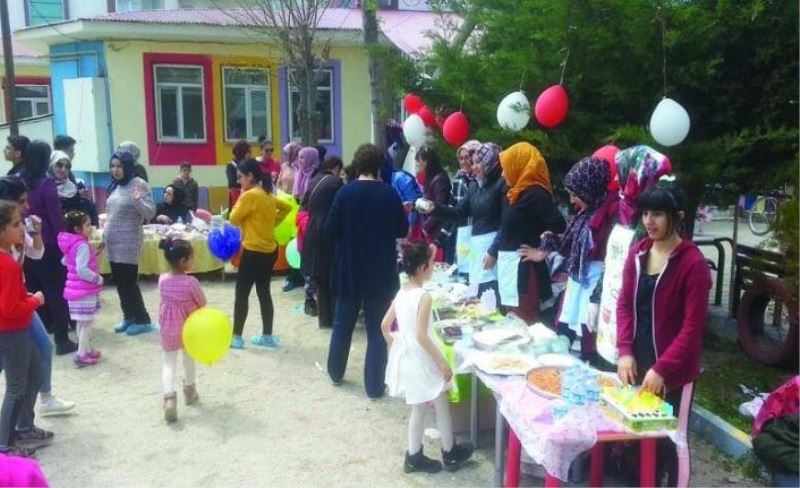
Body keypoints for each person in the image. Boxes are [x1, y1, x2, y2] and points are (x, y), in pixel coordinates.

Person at [616, 183, 711, 486]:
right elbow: (624, 307)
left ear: (677, 217)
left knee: (670, 442)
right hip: (639, 362)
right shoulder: (638, 253)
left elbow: (692, 328)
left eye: (657, 214)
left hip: (674, 373)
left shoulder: (693, 264)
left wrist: (662, 369)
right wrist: (625, 351)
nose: (649, 221)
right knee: (638, 434)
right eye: (645, 213)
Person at [382, 241, 474, 473]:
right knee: (429, 405)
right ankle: (435, 454)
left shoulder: (402, 291)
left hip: (410, 358)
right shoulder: (424, 297)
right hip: (424, 360)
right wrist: (442, 362)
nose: (433, 268)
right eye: (432, 264)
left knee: (429, 405)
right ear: (423, 268)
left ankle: (434, 453)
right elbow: (423, 336)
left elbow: (384, 325)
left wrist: (397, 345)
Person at [325, 144, 408, 398]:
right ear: (378, 166)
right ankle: (374, 386)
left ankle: (335, 372)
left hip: (349, 268)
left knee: (343, 323)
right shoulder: (389, 194)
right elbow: (402, 230)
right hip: (380, 271)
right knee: (376, 329)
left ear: (357, 165)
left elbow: (330, 230)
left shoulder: (344, 193)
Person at [522, 157, 613, 358]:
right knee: (565, 331)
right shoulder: (584, 214)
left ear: (589, 190)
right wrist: (547, 245)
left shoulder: (609, 215)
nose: (572, 200)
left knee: (588, 334)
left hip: (596, 285)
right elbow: (568, 244)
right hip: (577, 281)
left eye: (575, 194)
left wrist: (597, 295)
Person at [0, 177, 75, 417]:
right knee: (14, 373)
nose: (27, 207)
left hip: (18, 302)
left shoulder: (17, 229)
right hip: (12, 307)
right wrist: (33, 300)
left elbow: (37, 252)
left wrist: (37, 233)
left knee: (42, 346)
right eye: (21, 202)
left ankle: (43, 400)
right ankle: (15, 430)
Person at [419, 143, 505, 304]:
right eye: (473, 162)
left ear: (490, 164)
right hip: (478, 249)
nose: (474, 167)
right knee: (477, 296)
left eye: (478, 162)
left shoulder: (501, 185)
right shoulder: (474, 186)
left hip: (495, 250)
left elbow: (506, 223)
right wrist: (434, 208)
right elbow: (459, 213)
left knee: (492, 295)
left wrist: (493, 251)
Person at [494, 142, 565, 323]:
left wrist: (542, 251)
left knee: (524, 326)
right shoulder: (516, 192)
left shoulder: (535, 193)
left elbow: (560, 225)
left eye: (506, 168)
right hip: (509, 269)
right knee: (512, 322)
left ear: (519, 165)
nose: (503, 174)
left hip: (524, 272)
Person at [16, 141, 76, 354]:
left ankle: (38, 336)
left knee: (33, 290)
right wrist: (65, 241)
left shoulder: (20, 181)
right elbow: (55, 218)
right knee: (57, 292)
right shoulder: (46, 184)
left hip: (25, 242)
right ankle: (62, 340)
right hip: (49, 243)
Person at [0, 200, 48, 458]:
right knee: (16, 387)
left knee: (37, 369)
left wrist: (23, 295)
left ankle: (24, 426)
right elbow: (9, 309)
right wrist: (35, 300)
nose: (22, 229)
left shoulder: (9, 258)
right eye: (16, 224)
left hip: (16, 327)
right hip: (11, 330)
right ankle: (5, 446)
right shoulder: (6, 264)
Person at [229, 159, 292, 349]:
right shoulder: (266, 194)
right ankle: (267, 336)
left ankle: (237, 337)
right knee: (264, 293)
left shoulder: (249, 195)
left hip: (252, 251)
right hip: (269, 251)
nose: (239, 181)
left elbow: (233, 219)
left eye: (241, 177)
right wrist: (272, 222)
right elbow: (287, 207)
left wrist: (241, 196)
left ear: (250, 176)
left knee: (242, 293)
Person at [105, 151, 156, 336]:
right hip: (112, 242)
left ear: (127, 167)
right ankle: (128, 316)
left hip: (128, 242)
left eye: (119, 166)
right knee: (119, 282)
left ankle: (142, 319)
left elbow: (150, 212)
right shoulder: (114, 186)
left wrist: (137, 202)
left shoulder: (139, 184)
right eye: (113, 166)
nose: (115, 170)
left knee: (129, 282)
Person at [157, 238, 206, 423]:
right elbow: (202, 303)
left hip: (168, 327)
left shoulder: (162, 280)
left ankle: (169, 398)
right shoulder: (191, 282)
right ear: (184, 261)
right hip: (188, 327)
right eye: (192, 257)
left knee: (168, 363)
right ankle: (190, 391)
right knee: (188, 359)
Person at [300, 155, 343, 328]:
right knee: (331, 275)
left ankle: (324, 319)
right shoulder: (335, 183)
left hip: (311, 229)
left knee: (319, 277)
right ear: (335, 168)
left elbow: (304, 204)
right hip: (328, 231)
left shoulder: (313, 180)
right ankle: (333, 317)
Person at [58, 211, 103, 367]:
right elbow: (81, 270)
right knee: (88, 323)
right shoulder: (82, 245)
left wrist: (92, 255)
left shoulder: (71, 244)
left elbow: (65, 262)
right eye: (87, 225)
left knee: (81, 323)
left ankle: (86, 349)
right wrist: (97, 278)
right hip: (84, 290)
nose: (90, 228)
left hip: (73, 290)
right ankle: (81, 354)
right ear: (77, 229)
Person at [438, 140, 479, 265]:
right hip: (464, 234)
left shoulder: (483, 181)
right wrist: (439, 239)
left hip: (480, 233)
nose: (464, 162)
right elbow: (452, 210)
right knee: (465, 269)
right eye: (461, 158)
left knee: (480, 269)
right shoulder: (458, 181)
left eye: (467, 157)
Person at [415, 147, 451, 256]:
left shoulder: (439, 180)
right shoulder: (431, 177)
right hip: (433, 228)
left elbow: (440, 206)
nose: (417, 165)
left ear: (426, 162)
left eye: (419, 162)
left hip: (437, 231)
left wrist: (427, 226)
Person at [48, 150, 99, 226]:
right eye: (59, 165)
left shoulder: (73, 186)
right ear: (52, 165)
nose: (63, 169)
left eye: (67, 166)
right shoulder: (47, 187)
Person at [278, 142, 304, 292]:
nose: (286, 156)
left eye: (288, 153)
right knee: (289, 242)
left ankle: (299, 276)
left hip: (297, 207)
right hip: (286, 207)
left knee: (297, 240)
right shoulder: (284, 167)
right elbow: (279, 184)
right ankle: (291, 277)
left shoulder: (300, 168)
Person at [226, 140, 250, 207]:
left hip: (248, 199)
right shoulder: (231, 165)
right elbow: (232, 183)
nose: (250, 154)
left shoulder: (248, 164)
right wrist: (247, 183)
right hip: (237, 200)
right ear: (242, 152)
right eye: (248, 152)